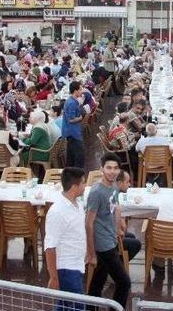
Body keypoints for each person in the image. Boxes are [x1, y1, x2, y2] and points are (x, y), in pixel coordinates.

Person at [86, 152, 130, 308]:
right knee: (124, 282)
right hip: (103, 244)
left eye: (115, 168)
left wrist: (118, 228)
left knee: (99, 279)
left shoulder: (114, 186)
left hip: (111, 238)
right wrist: (91, 254)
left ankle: (90, 307)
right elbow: (89, 223)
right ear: (101, 169)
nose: (112, 171)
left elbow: (115, 207)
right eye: (108, 167)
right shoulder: (96, 192)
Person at [44, 167, 88, 303]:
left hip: (77, 265)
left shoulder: (78, 204)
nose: (85, 186)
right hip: (66, 270)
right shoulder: (57, 212)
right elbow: (50, 247)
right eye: (83, 183)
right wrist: (54, 278)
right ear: (74, 187)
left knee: (65, 306)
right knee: (77, 306)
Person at [62, 81, 85, 169]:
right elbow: (71, 119)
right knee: (79, 156)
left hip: (72, 131)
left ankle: (70, 172)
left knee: (71, 156)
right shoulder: (72, 103)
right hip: (72, 132)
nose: (82, 91)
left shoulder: (73, 101)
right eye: (80, 89)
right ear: (75, 91)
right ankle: (78, 173)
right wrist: (80, 118)